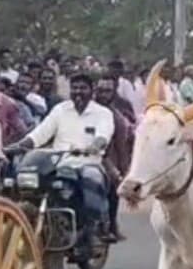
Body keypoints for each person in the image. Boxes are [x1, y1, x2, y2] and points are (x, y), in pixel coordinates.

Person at [7, 72, 114, 251]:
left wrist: (94, 146)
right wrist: (19, 146)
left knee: (91, 178)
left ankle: (93, 229)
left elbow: (104, 135)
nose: (78, 92)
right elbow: (41, 133)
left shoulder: (103, 113)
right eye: (75, 88)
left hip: (88, 163)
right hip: (60, 164)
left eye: (83, 88)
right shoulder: (60, 110)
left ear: (92, 90)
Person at [92, 75, 134, 241]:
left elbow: (121, 145)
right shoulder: (88, 111)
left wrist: (122, 170)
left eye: (107, 91)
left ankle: (110, 226)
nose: (103, 94)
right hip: (86, 157)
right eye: (100, 90)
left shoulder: (117, 115)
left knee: (112, 193)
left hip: (110, 160)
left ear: (114, 92)